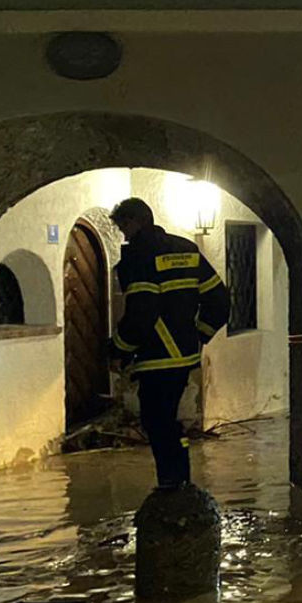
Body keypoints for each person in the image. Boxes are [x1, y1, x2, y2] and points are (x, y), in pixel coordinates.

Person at [107, 198, 230, 489]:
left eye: (124, 226)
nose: (123, 234)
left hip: (156, 356)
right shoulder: (186, 249)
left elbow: (141, 312)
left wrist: (117, 349)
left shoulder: (139, 256)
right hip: (184, 355)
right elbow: (220, 300)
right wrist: (199, 335)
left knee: (157, 424)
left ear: (136, 221)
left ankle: (171, 487)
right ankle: (180, 484)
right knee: (168, 423)